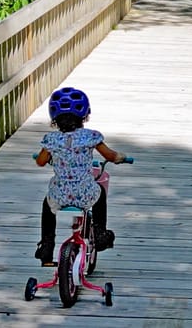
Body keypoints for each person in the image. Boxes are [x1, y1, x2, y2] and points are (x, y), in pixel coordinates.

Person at [33, 86, 128, 266]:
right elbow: (110, 156)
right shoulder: (90, 137)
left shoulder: (51, 140)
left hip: (60, 194)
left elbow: (40, 161)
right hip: (85, 193)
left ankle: (46, 244)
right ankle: (99, 232)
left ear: (54, 118)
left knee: (47, 206)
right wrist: (120, 157)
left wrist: (47, 156)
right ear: (84, 115)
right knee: (99, 191)